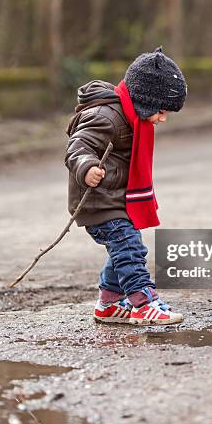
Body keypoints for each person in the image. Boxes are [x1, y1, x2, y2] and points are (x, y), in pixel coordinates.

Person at [65, 46, 187, 325]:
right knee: (129, 248)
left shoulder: (131, 117)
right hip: (98, 199)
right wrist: (87, 168)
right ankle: (143, 303)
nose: (163, 118)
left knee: (123, 249)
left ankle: (108, 303)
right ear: (144, 99)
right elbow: (77, 146)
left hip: (115, 199)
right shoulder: (106, 117)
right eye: (162, 110)